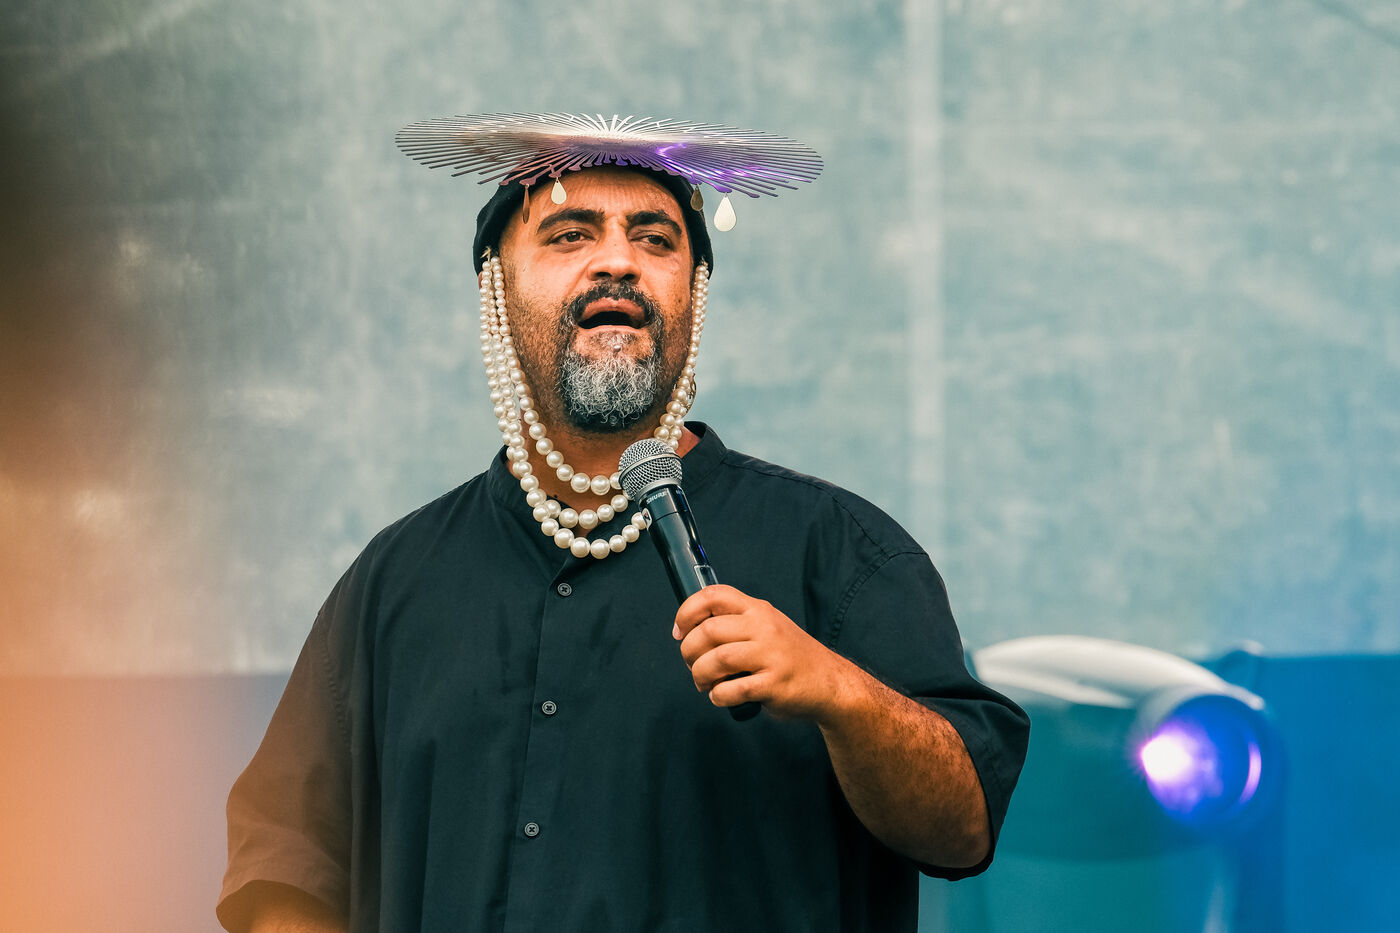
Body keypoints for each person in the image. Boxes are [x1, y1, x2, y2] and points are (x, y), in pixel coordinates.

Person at [219, 114, 1029, 933]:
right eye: (570, 234)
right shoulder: (394, 582)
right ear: (497, 291)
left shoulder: (842, 554)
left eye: (655, 239)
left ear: (693, 297)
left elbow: (963, 823)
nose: (617, 260)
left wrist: (835, 689)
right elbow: (285, 855)